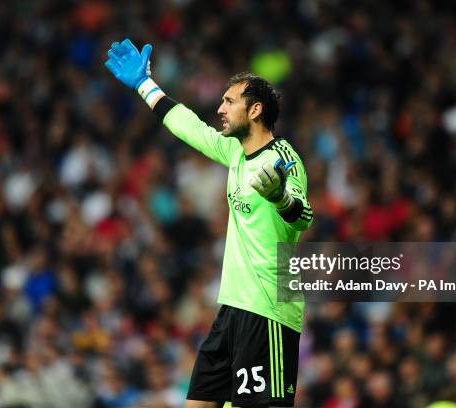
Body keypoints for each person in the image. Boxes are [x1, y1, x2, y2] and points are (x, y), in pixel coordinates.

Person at [105, 38, 313, 408]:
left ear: (255, 110)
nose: (220, 108)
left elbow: (303, 217)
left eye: (229, 101)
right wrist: (144, 85)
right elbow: (189, 126)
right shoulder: (234, 150)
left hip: (267, 313)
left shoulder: (284, 158)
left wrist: (280, 196)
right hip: (231, 307)